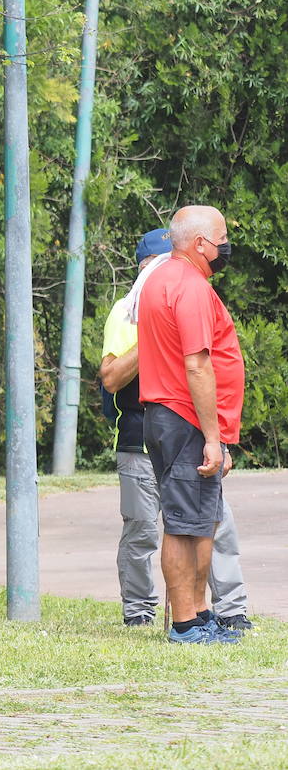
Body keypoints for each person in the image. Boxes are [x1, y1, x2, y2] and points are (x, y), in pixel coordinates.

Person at [100, 228, 251, 632]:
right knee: (158, 528)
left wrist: (218, 435)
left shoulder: (187, 290)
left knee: (207, 522)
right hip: (157, 429)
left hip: (185, 424)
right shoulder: (142, 303)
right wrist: (154, 333)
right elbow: (114, 376)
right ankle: (164, 616)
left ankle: (216, 612)